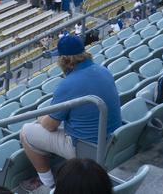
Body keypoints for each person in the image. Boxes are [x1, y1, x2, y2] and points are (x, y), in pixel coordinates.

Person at [19, 35, 122, 193]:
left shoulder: (68, 84)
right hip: (112, 141)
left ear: (65, 60)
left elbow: (50, 125)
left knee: (26, 132)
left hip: (85, 148)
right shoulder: (103, 70)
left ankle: (48, 184)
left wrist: (40, 118)